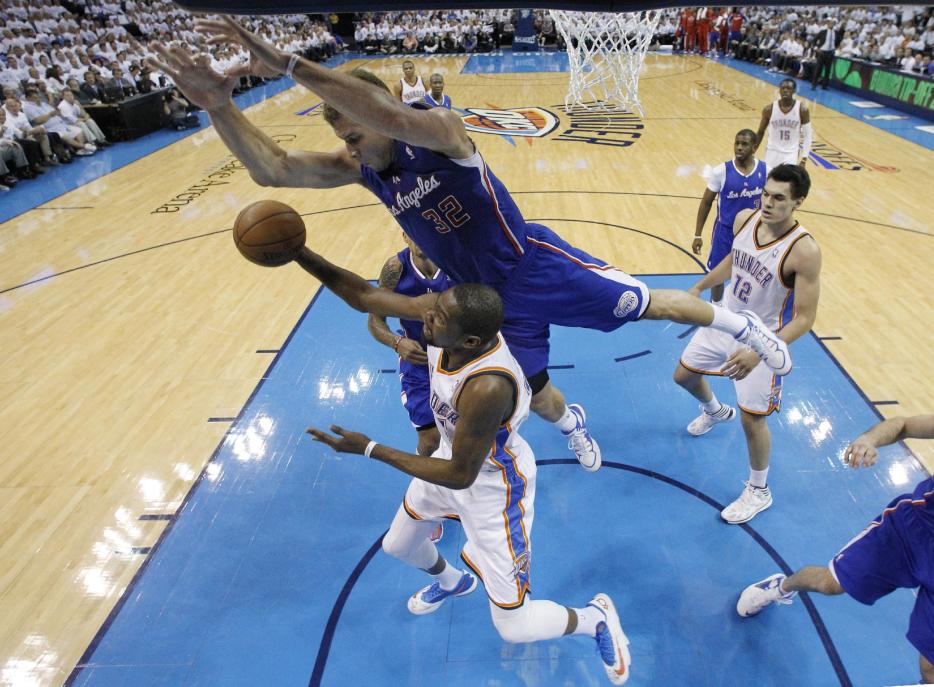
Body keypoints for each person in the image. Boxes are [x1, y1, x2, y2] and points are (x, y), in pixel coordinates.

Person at [146, 17, 793, 476]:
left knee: (647, 304)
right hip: (478, 301)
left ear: (376, 105)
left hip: (531, 265)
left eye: (349, 118)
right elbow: (275, 171)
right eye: (337, 126)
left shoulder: (440, 132)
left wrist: (289, 64)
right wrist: (218, 107)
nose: (345, 134)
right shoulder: (363, 167)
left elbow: (393, 119)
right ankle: (575, 426)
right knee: (535, 392)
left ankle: (748, 329)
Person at [299, 249, 633, 686]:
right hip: (451, 460)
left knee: (514, 627)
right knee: (399, 545)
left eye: (435, 320)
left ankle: (595, 619)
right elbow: (363, 295)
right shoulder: (448, 324)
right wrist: (296, 253)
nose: (425, 320)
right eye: (431, 311)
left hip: (494, 486)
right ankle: (454, 582)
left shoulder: (488, 385)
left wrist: (370, 448)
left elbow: (462, 476)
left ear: (469, 342)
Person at [737, 406, 934, 684]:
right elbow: (903, 423)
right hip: (910, 532)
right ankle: (781, 587)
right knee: (828, 583)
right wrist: (869, 440)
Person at [674, 164, 821, 524]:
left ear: (798, 202)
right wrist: (699, 286)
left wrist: (760, 351)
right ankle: (713, 410)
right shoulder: (745, 218)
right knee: (683, 376)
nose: (768, 202)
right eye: (766, 193)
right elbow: (733, 261)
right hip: (725, 319)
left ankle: (759, 490)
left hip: (762, 337)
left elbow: (804, 318)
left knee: (753, 421)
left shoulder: (804, 252)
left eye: (779, 198)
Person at [367, 233, 452, 457]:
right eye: (411, 233)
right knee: (429, 441)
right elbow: (375, 320)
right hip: (419, 360)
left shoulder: (457, 261)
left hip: (460, 358)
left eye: (421, 230)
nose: (419, 238)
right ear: (405, 236)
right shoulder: (395, 270)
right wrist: (397, 342)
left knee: (467, 432)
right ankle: (422, 485)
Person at [692, 129, 766, 303]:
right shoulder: (721, 171)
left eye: (744, 144)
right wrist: (697, 234)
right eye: (737, 143)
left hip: (752, 234)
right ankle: (716, 305)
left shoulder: (766, 170)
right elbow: (706, 203)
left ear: (754, 148)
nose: (739, 147)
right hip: (724, 233)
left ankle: (743, 307)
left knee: (752, 275)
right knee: (716, 274)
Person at [756, 78, 812, 169]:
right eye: (783, 88)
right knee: (768, 179)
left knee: (786, 181)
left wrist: (804, 159)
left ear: (794, 91)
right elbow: (760, 132)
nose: (785, 90)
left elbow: (807, 135)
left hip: (790, 154)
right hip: (772, 151)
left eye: (788, 88)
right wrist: (753, 151)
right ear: (779, 90)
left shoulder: (802, 110)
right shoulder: (769, 109)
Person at [811, 18, 839, 90]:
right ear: (827, 24)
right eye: (830, 23)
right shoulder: (823, 32)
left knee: (827, 71)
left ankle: (824, 86)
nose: (831, 24)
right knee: (818, 70)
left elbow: (838, 41)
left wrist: (835, 48)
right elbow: (814, 41)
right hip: (822, 52)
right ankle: (814, 85)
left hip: (830, 53)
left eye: (833, 23)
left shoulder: (836, 33)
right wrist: (816, 49)